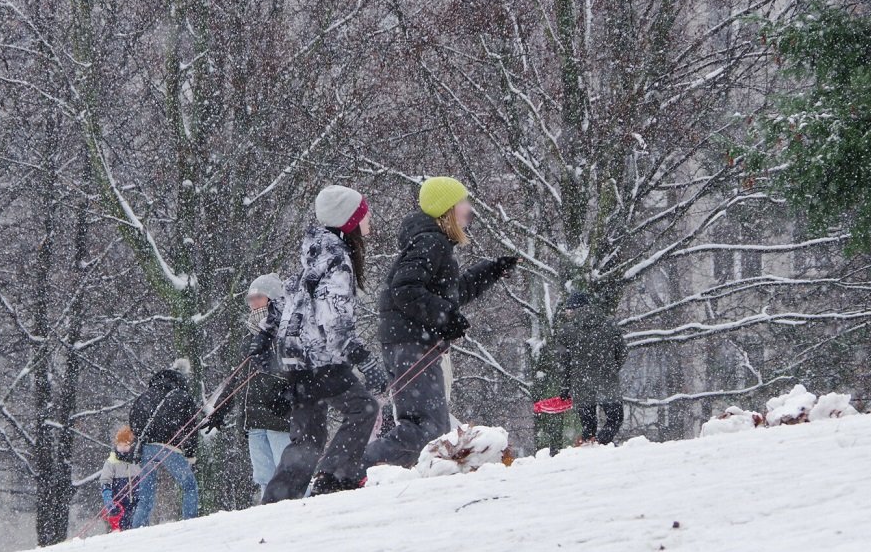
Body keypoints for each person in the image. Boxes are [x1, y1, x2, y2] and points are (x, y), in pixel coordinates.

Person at [364, 177, 517, 468]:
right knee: (426, 427)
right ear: (446, 209)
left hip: (409, 343)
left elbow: (449, 294)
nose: (469, 209)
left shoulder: (432, 242)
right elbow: (405, 289)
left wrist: (489, 271)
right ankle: (351, 469)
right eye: (463, 202)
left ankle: (353, 470)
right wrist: (446, 319)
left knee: (426, 426)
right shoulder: (430, 241)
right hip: (411, 344)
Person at [252, 185, 386, 500]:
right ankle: (333, 478)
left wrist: (264, 337)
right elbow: (334, 324)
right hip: (319, 358)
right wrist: (365, 361)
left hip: (297, 359)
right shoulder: (338, 259)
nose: (368, 222)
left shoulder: (314, 253)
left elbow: (288, 296)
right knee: (364, 409)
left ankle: (278, 499)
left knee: (308, 439)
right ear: (349, 221)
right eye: (363, 215)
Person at [239, 273, 293, 501]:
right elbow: (240, 379)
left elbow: (295, 367)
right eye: (250, 299)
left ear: (271, 298)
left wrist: (287, 392)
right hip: (254, 416)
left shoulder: (284, 329)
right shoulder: (250, 336)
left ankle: (298, 506)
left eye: (258, 297)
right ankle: (268, 510)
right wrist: (223, 411)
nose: (253, 303)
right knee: (263, 474)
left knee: (286, 470)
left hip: (277, 412)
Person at [128, 362, 201, 528]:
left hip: (146, 448)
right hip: (169, 446)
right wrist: (190, 454)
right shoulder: (182, 396)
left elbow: (133, 421)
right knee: (189, 485)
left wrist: (144, 438)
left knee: (145, 494)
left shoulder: (144, 396)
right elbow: (191, 428)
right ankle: (190, 523)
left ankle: (138, 528)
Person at [553, 291, 628, 445]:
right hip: (608, 381)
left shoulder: (566, 331)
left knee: (588, 426)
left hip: (582, 385)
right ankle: (600, 443)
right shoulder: (609, 324)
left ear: (574, 309)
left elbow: (564, 363)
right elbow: (623, 352)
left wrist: (566, 387)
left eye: (568, 310)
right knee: (615, 419)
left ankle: (590, 448)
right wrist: (611, 368)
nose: (566, 314)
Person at [99, 425, 142, 531]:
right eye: (119, 446)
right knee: (122, 527)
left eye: (125, 445)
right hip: (120, 504)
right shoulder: (112, 461)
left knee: (138, 526)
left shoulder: (137, 460)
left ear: (131, 445)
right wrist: (108, 498)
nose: (122, 449)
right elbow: (105, 480)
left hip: (137, 500)